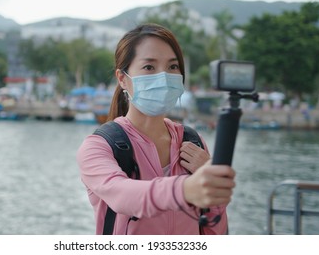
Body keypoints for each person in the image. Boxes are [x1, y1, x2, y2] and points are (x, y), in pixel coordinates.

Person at [76, 23, 236, 235]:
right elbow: (122, 196)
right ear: (123, 79)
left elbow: (215, 229)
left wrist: (215, 194)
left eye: (172, 67)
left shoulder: (192, 142)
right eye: (149, 67)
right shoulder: (98, 146)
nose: (163, 77)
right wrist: (186, 189)